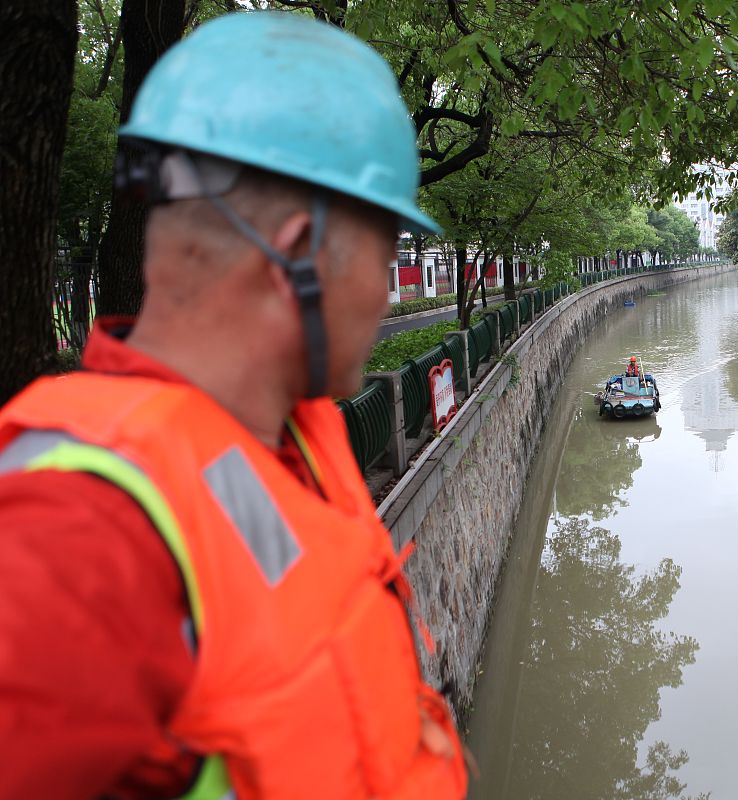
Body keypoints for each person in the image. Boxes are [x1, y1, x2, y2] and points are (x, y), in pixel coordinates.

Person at [0, 12, 466, 800]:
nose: (388, 293)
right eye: (386, 257)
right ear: (298, 255)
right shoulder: (75, 535)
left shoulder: (293, 435)